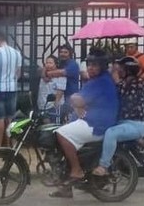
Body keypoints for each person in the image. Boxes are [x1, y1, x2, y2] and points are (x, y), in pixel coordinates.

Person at [51, 56, 119, 198]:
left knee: (61, 133)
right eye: (89, 65)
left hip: (97, 124)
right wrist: (77, 101)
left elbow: (78, 99)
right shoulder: (98, 80)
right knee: (64, 132)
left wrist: (75, 99)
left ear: (102, 67)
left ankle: (77, 170)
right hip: (92, 120)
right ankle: (66, 187)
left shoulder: (100, 82)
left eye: (95, 65)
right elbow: (79, 101)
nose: (90, 68)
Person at [92, 56, 144, 177]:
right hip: (123, 123)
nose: (119, 70)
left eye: (121, 68)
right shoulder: (124, 83)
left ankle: (104, 166)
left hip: (135, 124)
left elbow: (122, 96)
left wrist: (116, 80)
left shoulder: (136, 83)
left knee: (111, 133)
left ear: (128, 70)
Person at [0, 32, 23, 148]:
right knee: (10, 118)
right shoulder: (17, 53)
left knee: (0, 118)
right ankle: (11, 145)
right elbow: (18, 73)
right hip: (12, 89)